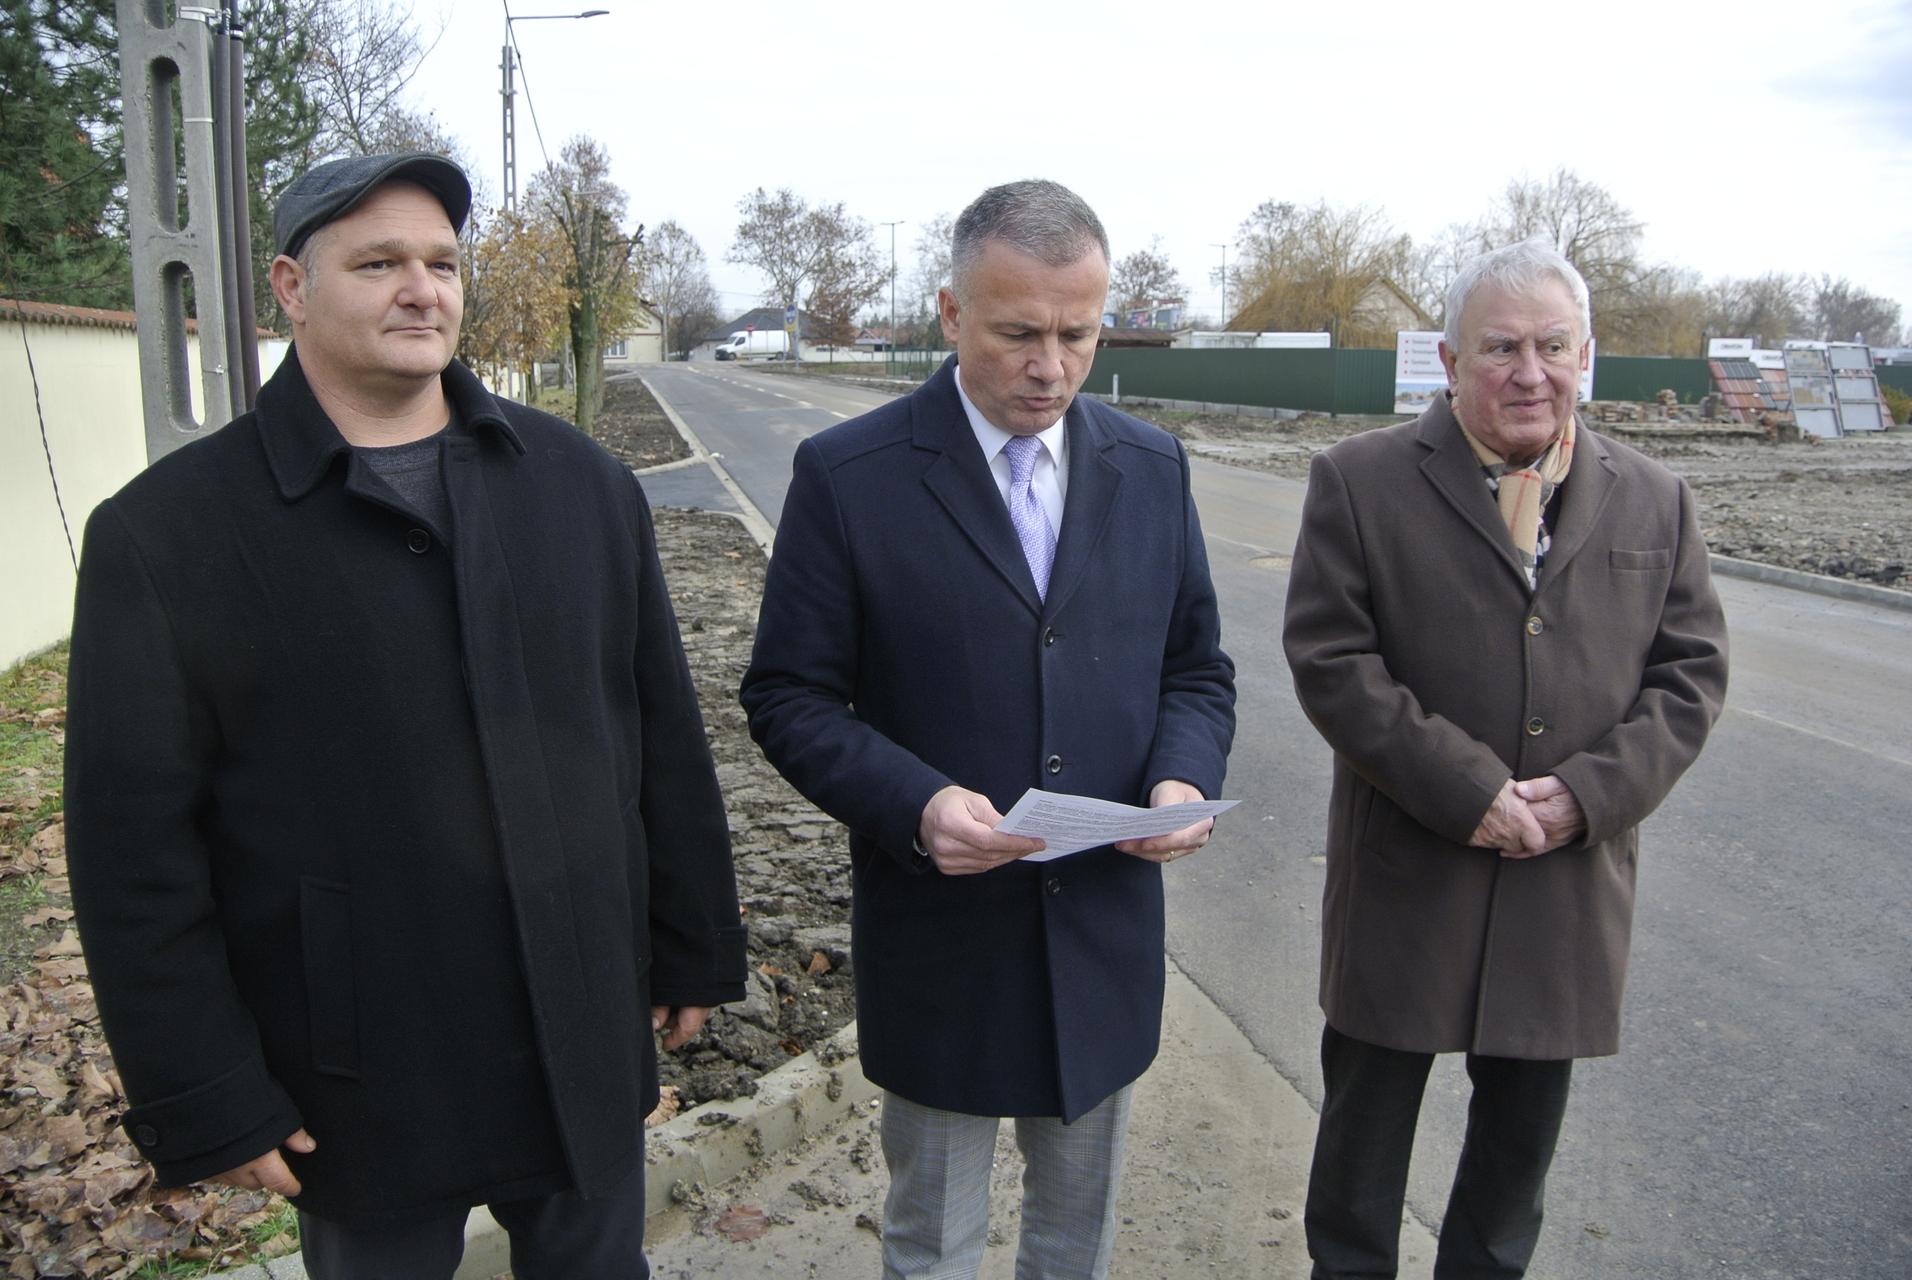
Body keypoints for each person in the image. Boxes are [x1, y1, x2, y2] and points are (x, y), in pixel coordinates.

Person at [64, 152, 745, 1280]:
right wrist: (204, 1087)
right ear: (291, 287)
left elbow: (661, 739)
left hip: (577, 1022)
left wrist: (693, 942)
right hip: (354, 1064)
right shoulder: (167, 535)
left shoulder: (581, 487)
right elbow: (133, 848)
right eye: (378, 263)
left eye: (442, 263)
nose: (422, 290)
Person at [740, 179, 1235, 1279]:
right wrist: (916, 804)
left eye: (1078, 334)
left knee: (1073, 1243)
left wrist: (1179, 779)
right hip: (943, 941)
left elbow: (1195, 670)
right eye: (1018, 333)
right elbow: (788, 695)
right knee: (932, 1242)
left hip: (1101, 938)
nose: (1050, 365)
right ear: (952, 313)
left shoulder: (1151, 469)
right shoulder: (850, 476)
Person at [1282, 237, 1729, 1279]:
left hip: (1561, 885)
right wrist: (1467, 788)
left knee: (1511, 1180)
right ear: (1449, 361)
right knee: (1359, 1166)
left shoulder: (1654, 498)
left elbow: (1689, 677)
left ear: (1586, 356)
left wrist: (1586, 796)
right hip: (1409, 876)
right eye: (1500, 348)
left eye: (1553, 346)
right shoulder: (1359, 481)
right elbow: (1332, 660)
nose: (1531, 373)